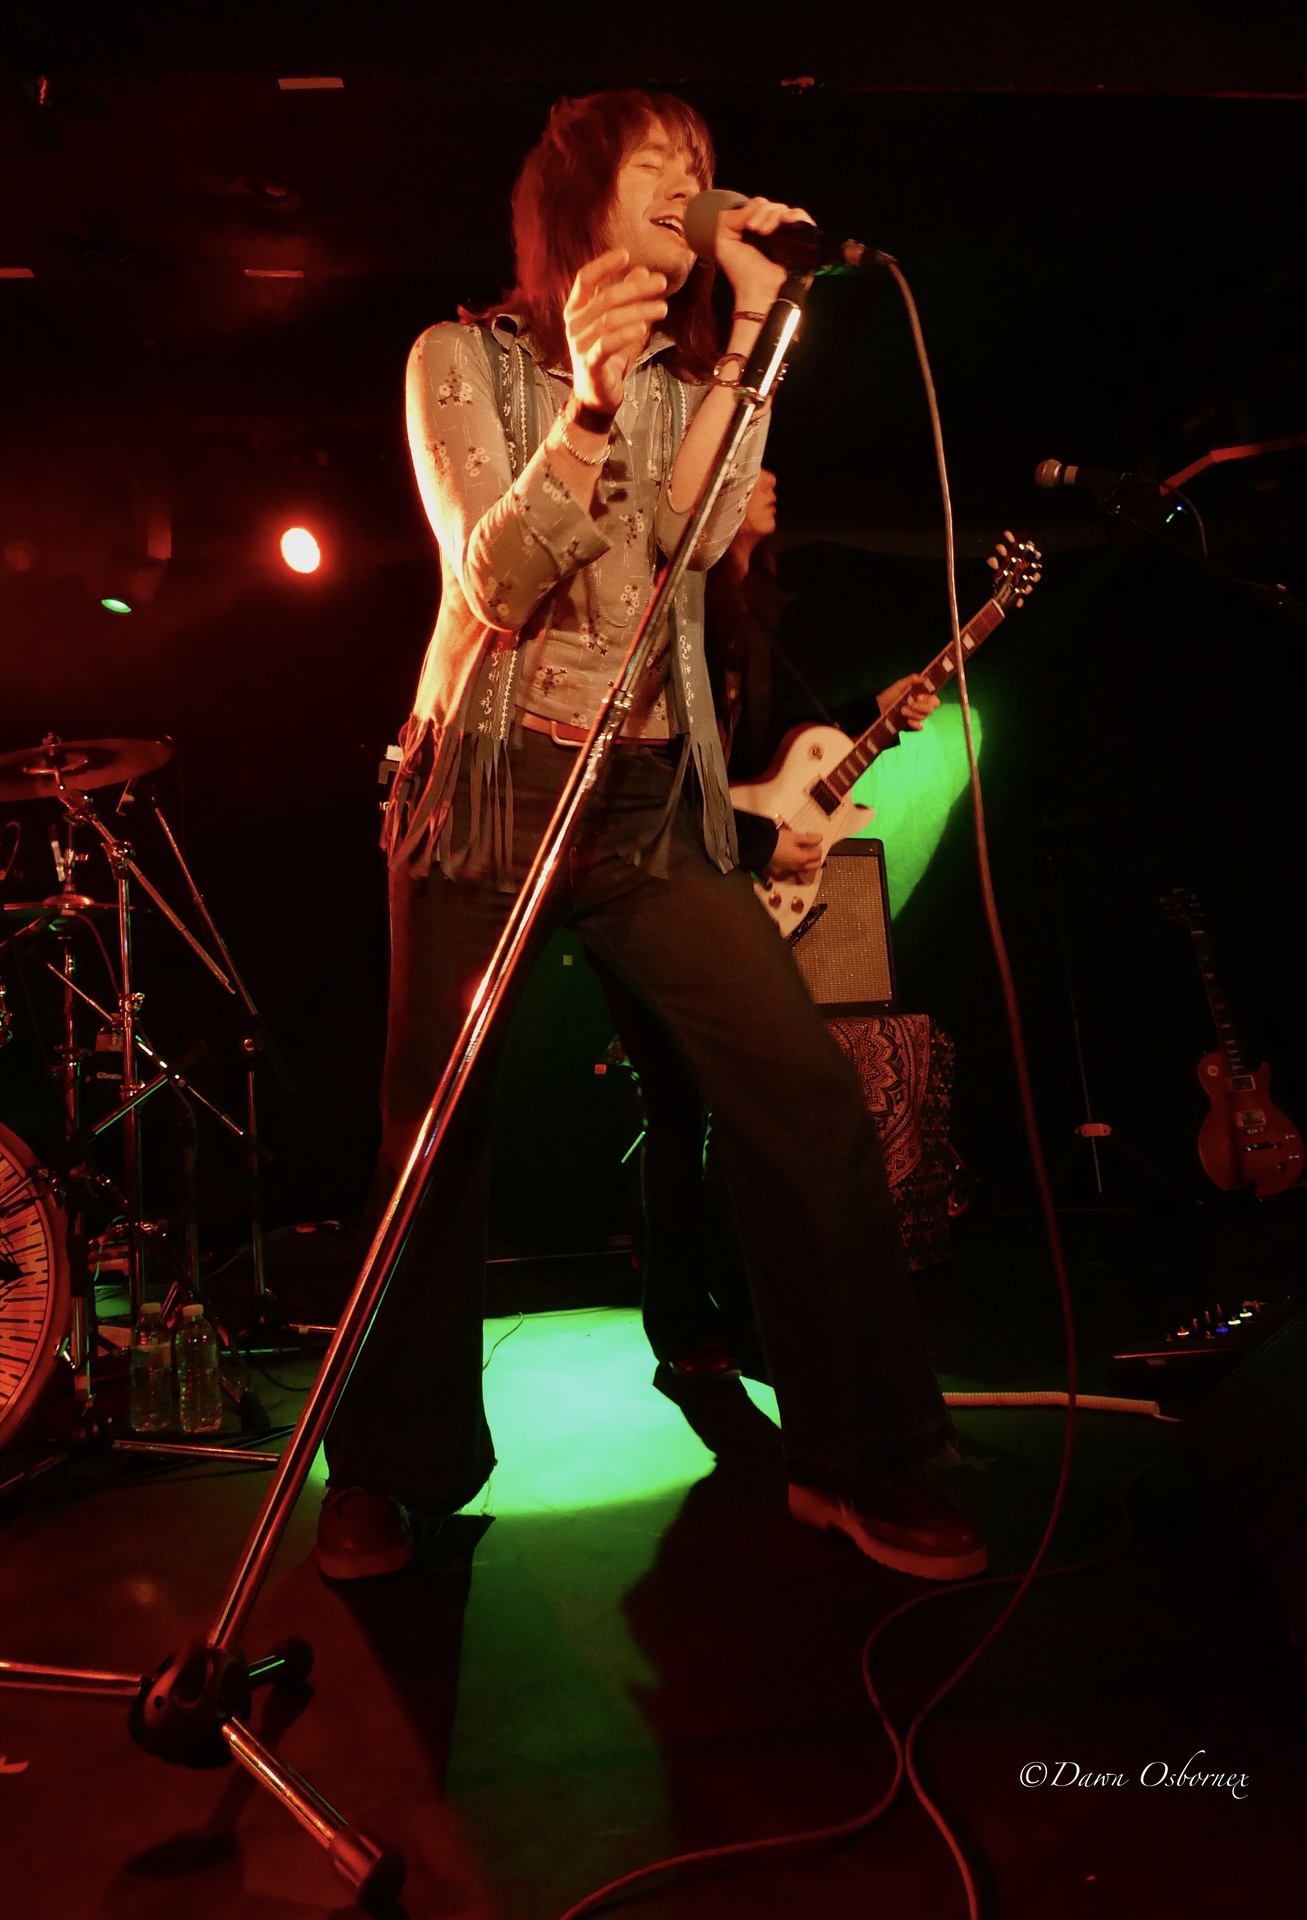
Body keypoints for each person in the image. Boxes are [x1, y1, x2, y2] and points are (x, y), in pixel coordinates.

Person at [316, 88, 985, 1586]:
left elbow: (687, 549)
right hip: (487, 790)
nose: (691, 182)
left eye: (702, 162)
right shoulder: (456, 361)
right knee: (434, 1132)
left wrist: (750, 329)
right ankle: (387, 1469)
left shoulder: (691, 379)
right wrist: (588, 405)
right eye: (657, 164)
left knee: (800, 1090)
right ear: (580, 201)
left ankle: (855, 1456)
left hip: (645, 802)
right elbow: (496, 582)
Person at [619, 466, 940, 1386]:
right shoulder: (672, 604)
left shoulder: (748, 613)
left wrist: (871, 713)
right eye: (750, 463)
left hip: (709, 871)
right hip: (643, 877)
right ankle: (686, 1324)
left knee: (720, 1107)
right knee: (681, 1108)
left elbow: (758, 754)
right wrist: (762, 843)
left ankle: (736, 1314)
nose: (770, 476)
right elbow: (650, 775)